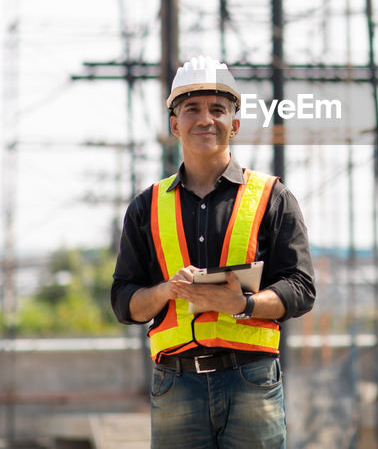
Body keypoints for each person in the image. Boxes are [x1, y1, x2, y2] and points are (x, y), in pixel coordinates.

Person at [111, 56, 315, 448]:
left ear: (234, 124)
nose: (205, 119)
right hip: (176, 382)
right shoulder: (146, 207)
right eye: (192, 109)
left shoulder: (272, 198)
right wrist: (166, 292)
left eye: (217, 109)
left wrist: (244, 303)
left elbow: (300, 289)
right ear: (175, 124)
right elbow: (124, 302)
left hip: (251, 379)